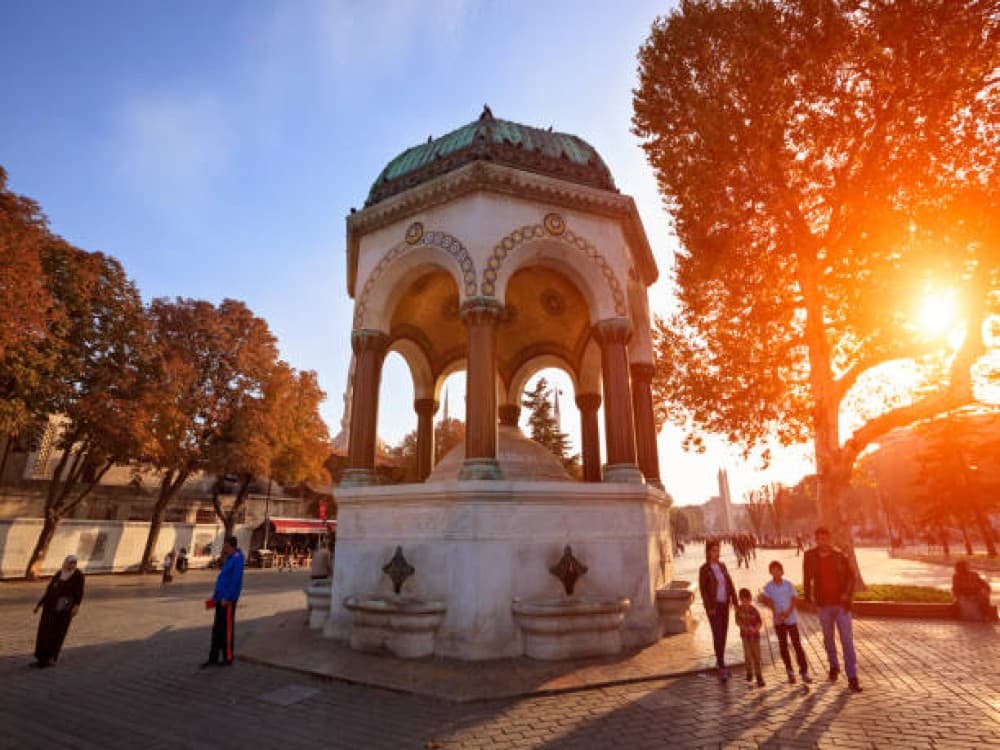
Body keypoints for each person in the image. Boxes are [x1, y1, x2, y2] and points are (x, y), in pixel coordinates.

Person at [803, 527, 862, 692]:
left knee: (847, 640)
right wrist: (808, 597)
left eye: (826, 538)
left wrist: (846, 594)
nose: (823, 542)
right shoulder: (810, 556)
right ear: (816, 540)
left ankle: (852, 676)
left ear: (830, 539)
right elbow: (806, 577)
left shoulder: (839, 555)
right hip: (823, 605)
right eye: (820, 539)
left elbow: (851, 576)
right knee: (828, 638)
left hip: (841, 605)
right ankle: (834, 666)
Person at [760, 560, 812, 684]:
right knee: (783, 646)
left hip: (791, 619)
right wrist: (775, 610)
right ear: (770, 572)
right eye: (773, 570)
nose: (775, 572)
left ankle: (804, 672)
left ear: (782, 571)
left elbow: (794, 599)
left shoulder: (788, 584)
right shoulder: (768, 586)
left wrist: (787, 613)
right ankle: (790, 671)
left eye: (778, 569)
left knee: (797, 645)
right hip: (778, 621)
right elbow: (763, 598)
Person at [31, 555, 85, 668]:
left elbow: (79, 592)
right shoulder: (59, 573)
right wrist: (39, 605)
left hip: (64, 610)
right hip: (49, 608)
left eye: (74, 563)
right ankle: (41, 658)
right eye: (70, 562)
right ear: (65, 562)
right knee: (44, 632)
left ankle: (51, 658)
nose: (72, 565)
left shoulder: (78, 575)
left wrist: (76, 606)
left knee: (58, 632)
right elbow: (49, 590)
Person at [201, 536, 244, 668]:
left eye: (226, 546)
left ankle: (228, 657)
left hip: (228, 601)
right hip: (220, 599)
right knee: (217, 629)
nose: (224, 548)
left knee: (227, 630)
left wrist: (227, 597)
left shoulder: (237, 560)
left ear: (231, 546)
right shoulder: (230, 558)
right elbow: (223, 579)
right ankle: (213, 657)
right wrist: (216, 596)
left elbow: (235, 581)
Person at [699, 539, 737, 681]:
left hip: (724, 604)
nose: (717, 552)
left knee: (724, 632)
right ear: (708, 552)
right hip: (714, 607)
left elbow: (729, 582)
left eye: (718, 549)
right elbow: (703, 591)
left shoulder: (722, 566)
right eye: (714, 550)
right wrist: (709, 607)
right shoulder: (704, 569)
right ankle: (721, 665)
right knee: (718, 634)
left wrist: (735, 599)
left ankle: (720, 661)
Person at [735, 588, 765, 687]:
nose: (744, 602)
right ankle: (749, 672)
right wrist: (744, 627)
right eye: (742, 600)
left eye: (746, 600)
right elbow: (738, 621)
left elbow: (760, 622)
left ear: (750, 599)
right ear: (740, 600)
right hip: (745, 637)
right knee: (747, 655)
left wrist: (755, 629)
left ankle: (759, 676)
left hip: (755, 637)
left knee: (757, 656)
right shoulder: (739, 610)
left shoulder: (754, 610)